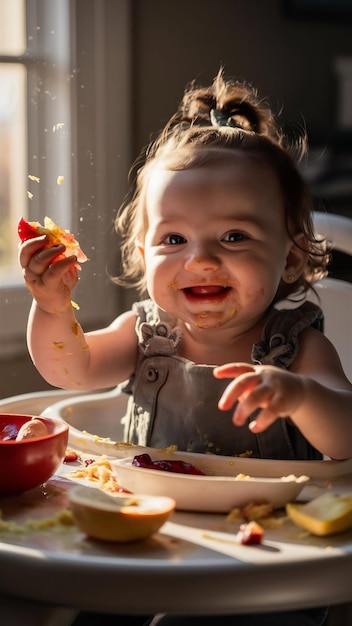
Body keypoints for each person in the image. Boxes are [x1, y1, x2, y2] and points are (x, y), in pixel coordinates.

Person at [19, 70, 352, 625]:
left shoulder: (298, 350)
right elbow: (69, 370)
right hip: (145, 531)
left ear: (291, 259)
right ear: (144, 256)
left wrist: (298, 397)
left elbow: (347, 434)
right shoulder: (145, 334)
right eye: (173, 240)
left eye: (235, 237)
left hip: (259, 553)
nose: (200, 259)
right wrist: (53, 308)